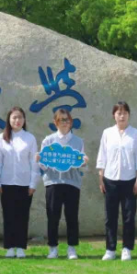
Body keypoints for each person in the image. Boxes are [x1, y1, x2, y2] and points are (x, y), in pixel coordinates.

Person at [96, 101, 137, 262]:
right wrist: (101, 177)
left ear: (129, 115)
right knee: (110, 216)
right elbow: (102, 156)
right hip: (110, 179)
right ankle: (110, 249)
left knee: (129, 216)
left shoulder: (136, 134)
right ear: (114, 115)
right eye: (119, 113)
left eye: (124, 113)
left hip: (130, 180)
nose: (122, 116)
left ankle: (126, 248)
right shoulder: (107, 133)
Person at [0, 107, 38, 258]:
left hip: (24, 183)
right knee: (8, 215)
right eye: (14, 118)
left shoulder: (30, 138)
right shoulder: (2, 138)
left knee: (22, 216)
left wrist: (33, 184)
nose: (17, 121)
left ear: (24, 120)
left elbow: (34, 163)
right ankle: (10, 246)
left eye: (20, 118)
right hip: (6, 183)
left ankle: (21, 247)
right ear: (9, 120)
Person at [39, 108, 84, 260]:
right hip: (53, 182)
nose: (65, 123)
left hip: (72, 183)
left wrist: (84, 162)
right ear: (55, 122)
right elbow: (43, 166)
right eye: (61, 120)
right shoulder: (48, 141)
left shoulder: (78, 141)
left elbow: (81, 164)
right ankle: (53, 248)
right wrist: (40, 160)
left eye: (67, 120)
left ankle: (72, 248)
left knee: (72, 216)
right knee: (53, 216)